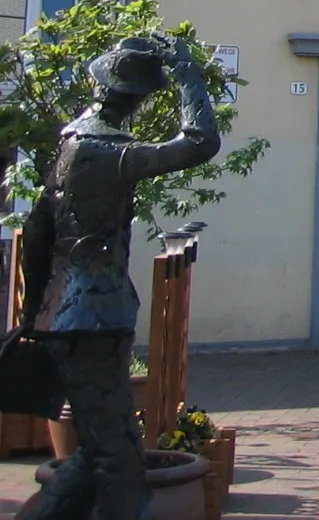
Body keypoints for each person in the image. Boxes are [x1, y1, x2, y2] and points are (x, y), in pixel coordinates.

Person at [16, 34, 222, 520]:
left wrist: (33, 312)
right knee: (118, 462)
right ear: (133, 99)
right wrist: (187, 72)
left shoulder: (68, 145)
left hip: (68, 315)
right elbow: (200, 142)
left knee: (102, 449)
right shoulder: (109, 152)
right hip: (94, 316)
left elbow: (37, 231)